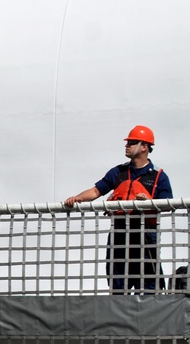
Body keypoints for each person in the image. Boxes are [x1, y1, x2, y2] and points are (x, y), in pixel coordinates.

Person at [65, 125, 173, 293]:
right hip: (120, 235)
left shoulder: (159, 176)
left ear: (144, 147)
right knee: (117, 284)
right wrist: (77, 198)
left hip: (145, 235)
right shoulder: (118, 172)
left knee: (149, 285)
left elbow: (167, 204)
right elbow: (95, 191)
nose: (127, 145)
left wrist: (150, 201)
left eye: (131, 142)